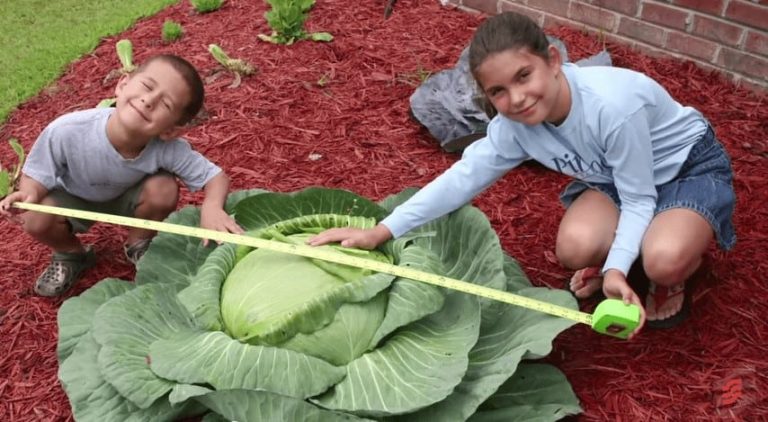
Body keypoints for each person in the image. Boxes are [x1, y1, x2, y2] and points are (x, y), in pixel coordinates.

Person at [309, 12, 736, 337]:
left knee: (662, 260)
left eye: (524, 76)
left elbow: (640, 196)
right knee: (575, 248)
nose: (517, 98)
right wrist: (383, 230)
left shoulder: (611, 108)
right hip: (613, 178)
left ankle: (676, 262)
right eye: (498, 91)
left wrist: (615, 269)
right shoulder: (513, 127)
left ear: (552, 60)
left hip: (683, 169)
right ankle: (631, 251)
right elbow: (463, 178)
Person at [0, 54, 243, 297]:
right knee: (35, 217)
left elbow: (216, 177)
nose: (149, 101)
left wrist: (212, 207)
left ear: (170, 130)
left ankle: (138, 243)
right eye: (147, 86)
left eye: (166, 104)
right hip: (74, 198)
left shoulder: (167, 148)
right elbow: (38, 174)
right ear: (122, 85)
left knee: (164, 188)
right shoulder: (67, 130)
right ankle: (72, 254)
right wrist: (28, 194)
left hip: (127, 199)